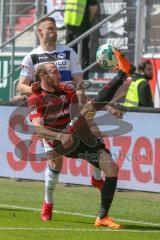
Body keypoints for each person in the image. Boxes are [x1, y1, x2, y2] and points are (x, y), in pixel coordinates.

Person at [27, 48, 132, 227]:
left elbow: (85, 106)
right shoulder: (36, 99)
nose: (60, 74)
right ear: (43, 77)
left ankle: (102, 217)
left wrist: (108, 107)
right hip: (61, 141)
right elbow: (38, 129)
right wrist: (59, 135)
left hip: (77, 138)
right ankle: (122, 73)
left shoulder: (66, 91)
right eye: (55, 71)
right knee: (55, 166)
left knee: (112, 168)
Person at [18, 17, 104, 197]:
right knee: (56, 162)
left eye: (55, 28)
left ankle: (97, 178)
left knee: (96, 137)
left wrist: (82, 98)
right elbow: (20, 86)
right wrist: (35, 88)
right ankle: (47, 201)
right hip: (50, 114)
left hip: (71, 107)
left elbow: (80, 81)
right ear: (39, 32)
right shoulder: (32, 57)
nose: (54, 31)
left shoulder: (68, 52)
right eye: (50, 28)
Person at [64, 0, 98, 79]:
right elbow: (93, 8)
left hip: (80, 25)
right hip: (72, 25)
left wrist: (88, 20)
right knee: (71, 52)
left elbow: (93, 7)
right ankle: (71, 76)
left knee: (82, 52)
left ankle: (83, 77)